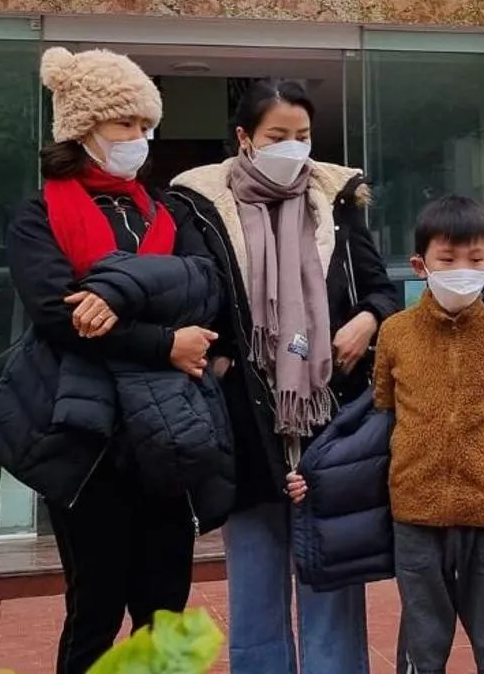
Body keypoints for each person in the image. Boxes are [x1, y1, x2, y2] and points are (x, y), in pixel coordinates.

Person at [0, 47, 224, 674]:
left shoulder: (168, 211)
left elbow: (202, 285)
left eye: (147, 126)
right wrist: (162, 342)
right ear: (82, 127)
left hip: (164, 429)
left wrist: (115, 297)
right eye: (126, 125)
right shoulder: (38, 215)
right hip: (85, 434)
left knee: (164, 604)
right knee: (94, 604)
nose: (140, 140)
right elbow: (56, 314)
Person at [165, 79, 402, 674]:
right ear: (245, 138)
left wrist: (368, 321)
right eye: (278, 136)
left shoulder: (337, 205)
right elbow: (190, 297)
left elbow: (380, 288)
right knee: (255, 585)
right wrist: (222, 359)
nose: (293, 147)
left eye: (303, 136)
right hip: (247, 420)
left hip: (331, 419)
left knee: (332, 579)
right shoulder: (199, 208)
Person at [374, 195, 484, 674]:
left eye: (475, 259)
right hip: (415, 505)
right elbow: (382, 408)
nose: (462, 268)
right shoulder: (394, 332)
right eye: (448, 259)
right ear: (421, 264)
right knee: (423, 636)